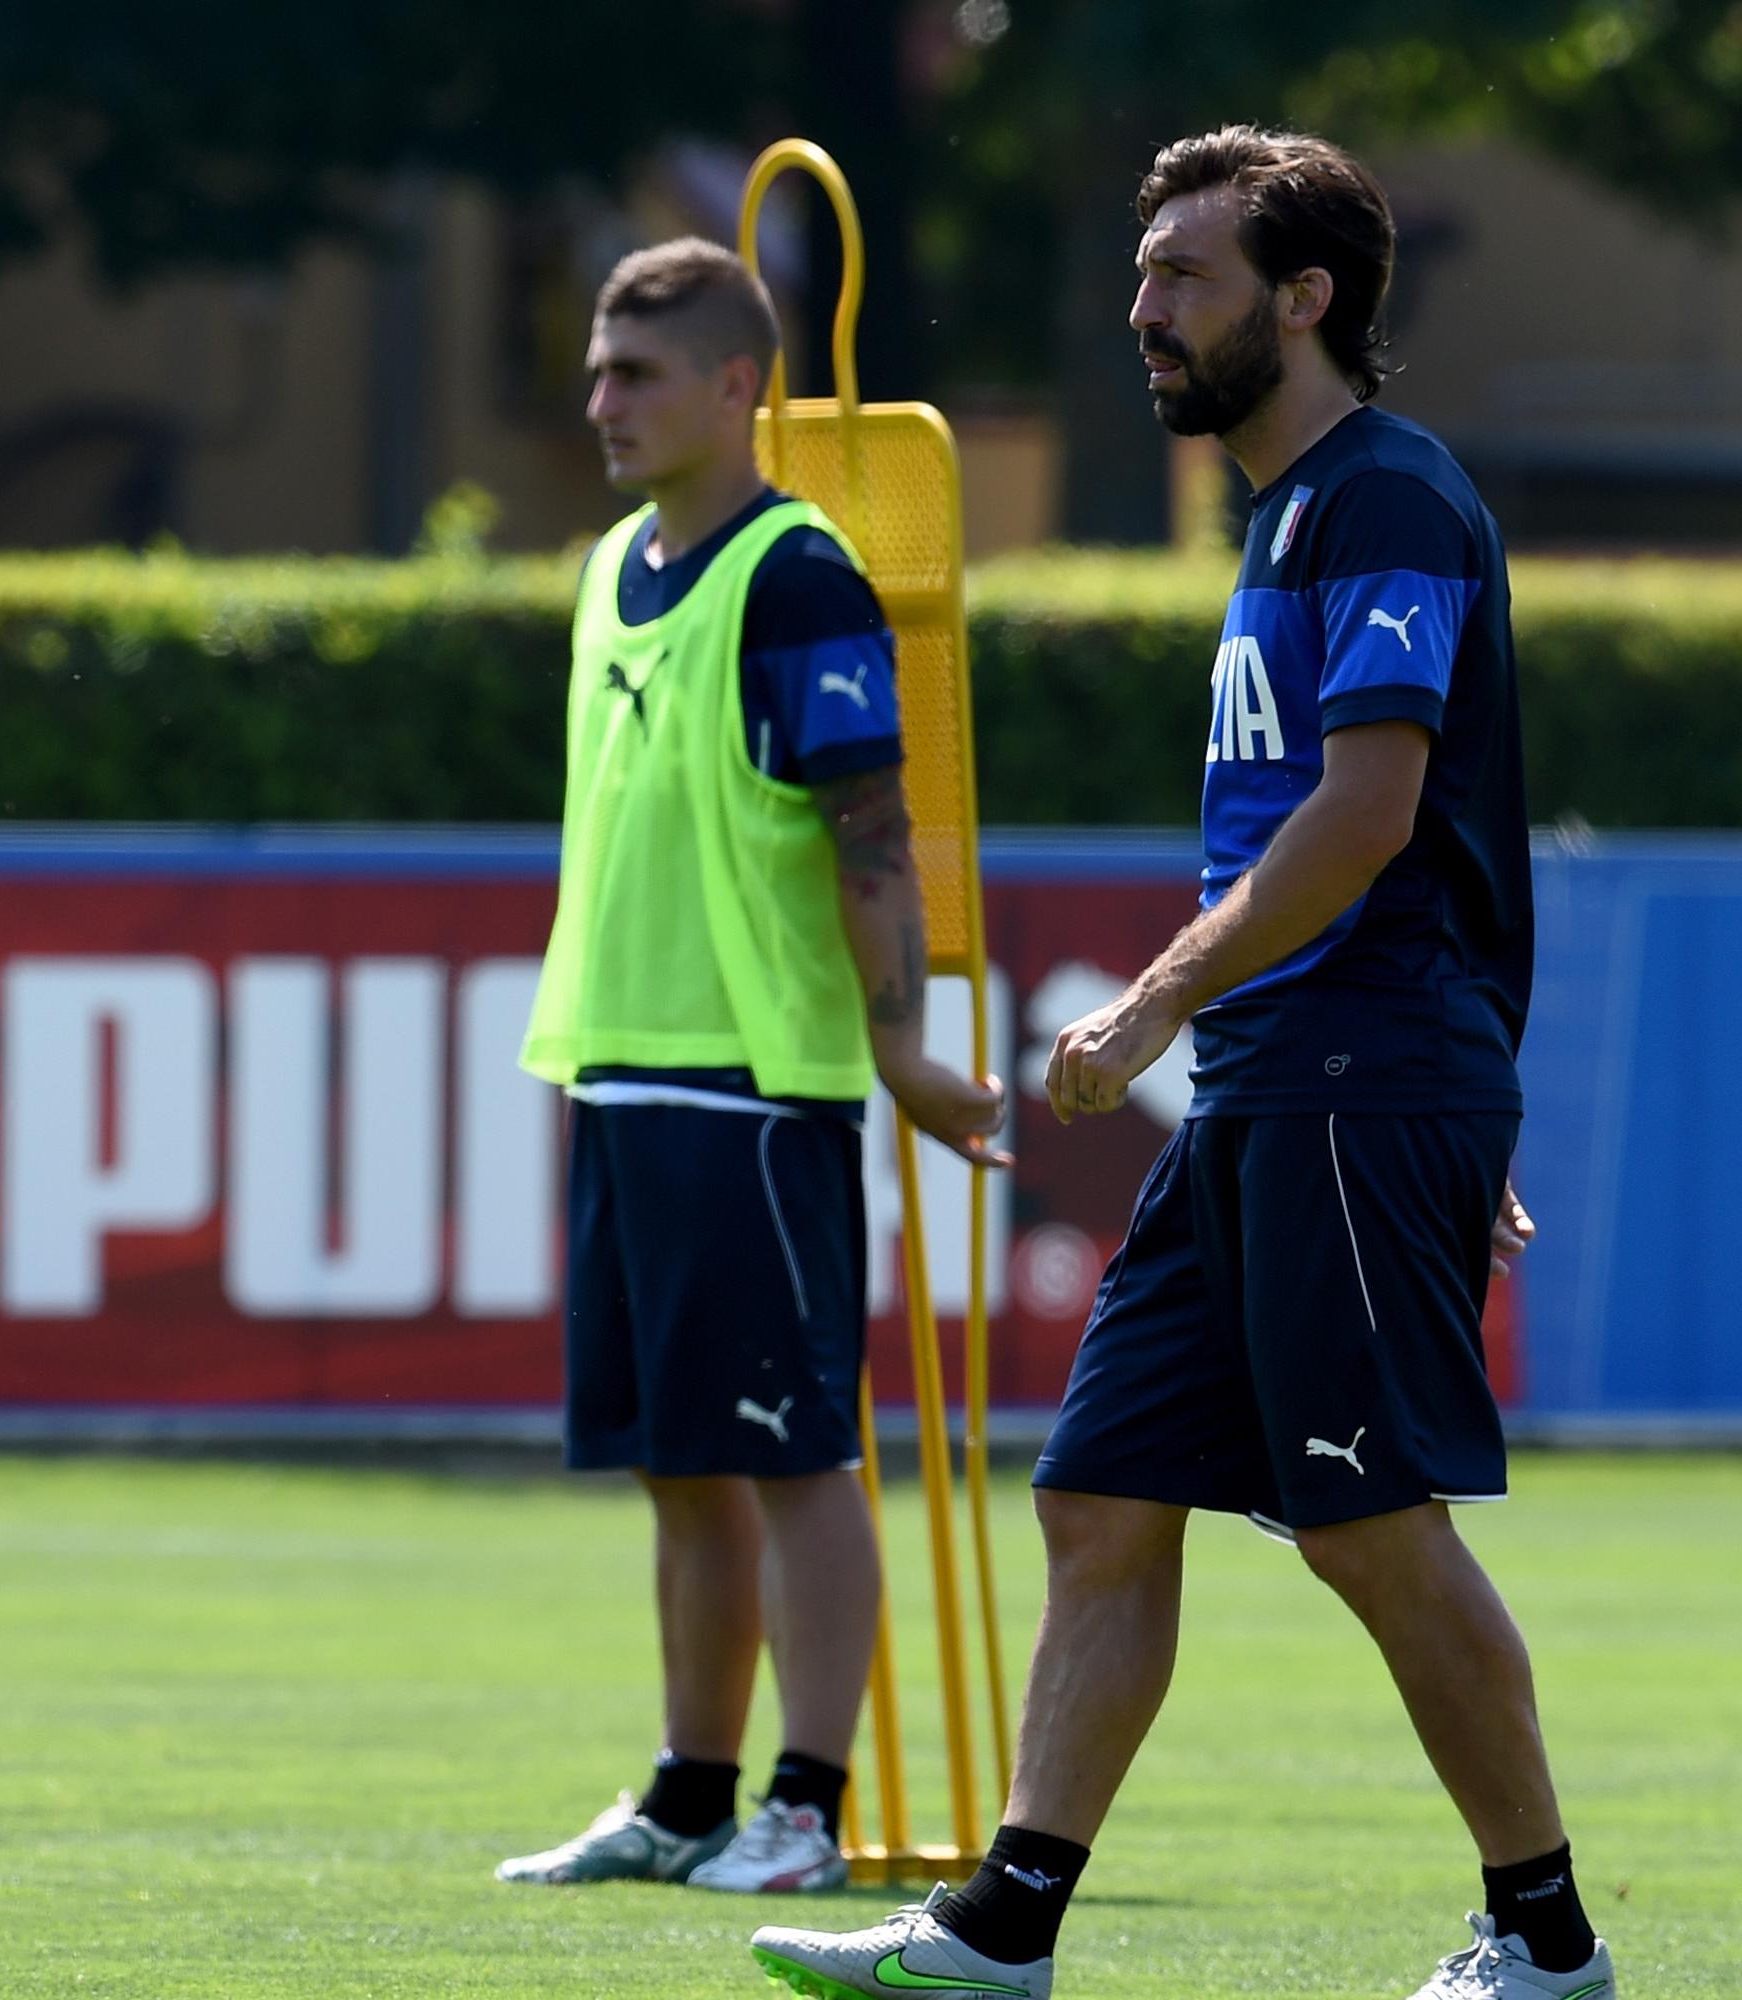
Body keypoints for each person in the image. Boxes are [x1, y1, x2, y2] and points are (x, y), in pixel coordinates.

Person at [748, 127, 1610, 2000]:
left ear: (1306, 301)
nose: (1144, 308)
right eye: (1141, 275)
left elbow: (1369, 817)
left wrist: (1157, 1006)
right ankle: (1009, 1926)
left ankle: (1544, 1942)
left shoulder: (1385, 495)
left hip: (1341, 1075)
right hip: (1303, 1086)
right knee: (1101, 1492)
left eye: (1185, 277)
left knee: (1367, 1526)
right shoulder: (1286, 511)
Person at [497, 238, 1007, 1897]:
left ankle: (805, 1800)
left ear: (738, 387)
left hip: (758, 1082)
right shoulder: (604, 569)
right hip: (622, 1068)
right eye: (594, 370)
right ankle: (689, 1793)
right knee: (677, 1457)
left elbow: (874, 824)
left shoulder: (800, 577)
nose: (600, 403)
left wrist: (905, 1045)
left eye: (635, 374)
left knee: (795, 1453)